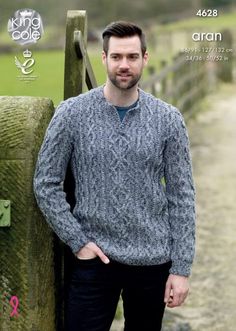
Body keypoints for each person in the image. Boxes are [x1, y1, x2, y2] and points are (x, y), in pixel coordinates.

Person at [34, 21, 195, 331]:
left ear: (145, 58)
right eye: (117, 56)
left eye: (132, 57)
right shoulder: (71, 114)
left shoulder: (168, 119)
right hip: (94, 260)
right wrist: (78, 241)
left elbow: (182, 196)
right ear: (103, 58)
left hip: (152, 261)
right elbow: (46, 183)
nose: (124, 65)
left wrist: (181, 269)